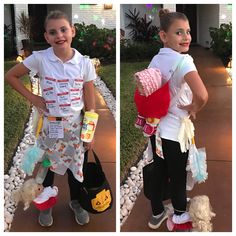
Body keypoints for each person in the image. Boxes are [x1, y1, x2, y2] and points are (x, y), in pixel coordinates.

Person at [5, 10, 97, 227]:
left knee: (76, 168)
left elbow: (91, 103)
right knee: (47, 167)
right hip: (50, 128)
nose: (59, 35)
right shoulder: (40, 59)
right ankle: (45, 204)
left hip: (75, 128)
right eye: (53, 32)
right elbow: (10, 76)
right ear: (46, 37)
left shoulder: (84, 63)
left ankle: (76, 202)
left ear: (72, 31)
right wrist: (34, 98)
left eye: (63, 29)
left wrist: (89, 133)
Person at [146, 9, 208, 231]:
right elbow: (202, 95)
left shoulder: (156, 58)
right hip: (175, 132)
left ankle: (156, 213)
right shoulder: (184, 62)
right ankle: (180, 216)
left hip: (156, 128)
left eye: (188, 32)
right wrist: (195, 107)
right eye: (179, 33)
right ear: (164, 36)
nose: (187, 37)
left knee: (159, 170)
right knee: (178, 175)